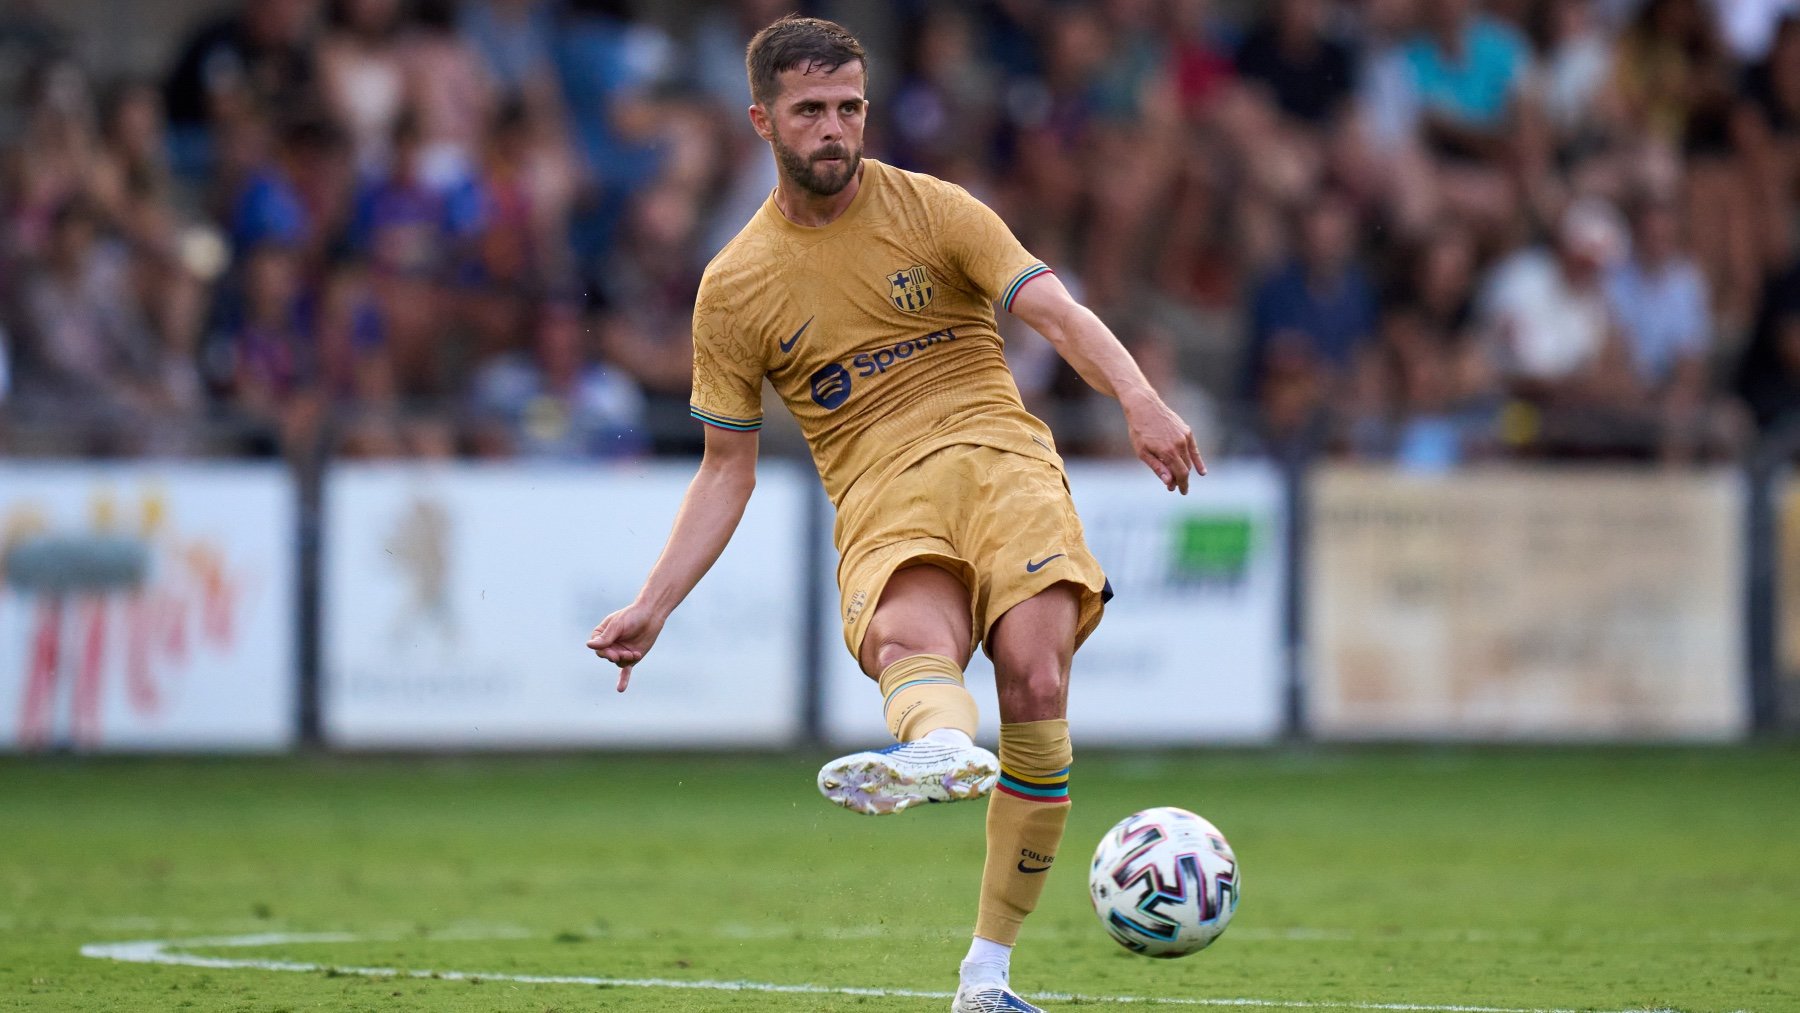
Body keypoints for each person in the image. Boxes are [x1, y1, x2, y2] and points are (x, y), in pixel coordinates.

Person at [584, 16, 1203, 1013]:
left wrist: (1137, 396)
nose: (834, 128)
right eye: (811, 111)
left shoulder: (937, 209)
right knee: (909, 640)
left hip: (1003, 460)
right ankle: (942, 749)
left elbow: (1054, 308)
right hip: (878, 489)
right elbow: (723, 472)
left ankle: (986, 977)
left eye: (848, 108)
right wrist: (656, 603)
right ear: (763, 121)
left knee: (1036, 677)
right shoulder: (734, 286)